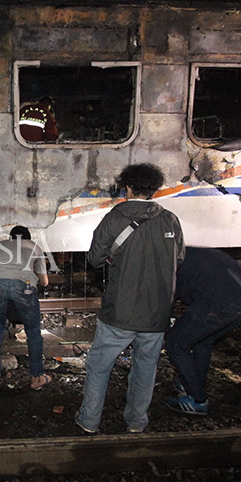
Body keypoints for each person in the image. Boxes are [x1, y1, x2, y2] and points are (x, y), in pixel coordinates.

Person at [75, 163, 184, 434]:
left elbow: (94, 258)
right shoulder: (170, 219)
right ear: (153, 189)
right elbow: (179, 258)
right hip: (157, 313)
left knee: (100, 365)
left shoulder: (115, 217)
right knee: (146, 367)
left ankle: (89, 421)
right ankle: (136, 421)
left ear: (128, 187)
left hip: (120, 312)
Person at [163, 247, 241, 415]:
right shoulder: (187, 252)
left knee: (176, 344)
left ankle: (197, 399)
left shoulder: (167, 261)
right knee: (203, 341)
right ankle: (193, 382)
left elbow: (166, 299)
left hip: (219, 300)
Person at [0, 226, 51, 389]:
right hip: (23, 284)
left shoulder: (0, 245)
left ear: (10, 237)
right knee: (33, 331)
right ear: (28, 238)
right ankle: (36, 378)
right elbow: (44, 282)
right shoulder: (35, 247)